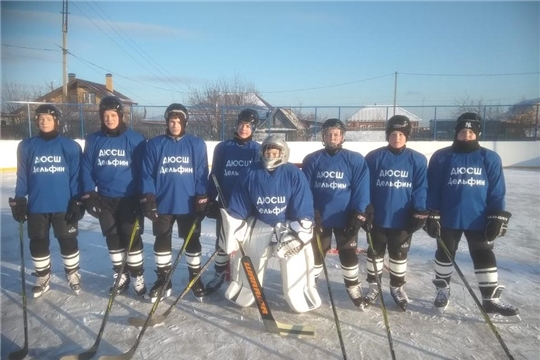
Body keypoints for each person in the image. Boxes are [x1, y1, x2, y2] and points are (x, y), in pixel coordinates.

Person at [425, 112, 518, 316]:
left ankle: (490, 299)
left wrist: (497, 215)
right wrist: (432, 213)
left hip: (479, 218)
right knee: (445, 253)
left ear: (477, 133)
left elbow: (496, 189)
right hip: (448, 217)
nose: (466, 135)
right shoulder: (442, 156)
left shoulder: (490, 157)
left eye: (470, 132)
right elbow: (433, 187)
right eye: (462, 132)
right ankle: (442, 291)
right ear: (456, 133)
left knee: (484, 254)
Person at [221, 135, 321, 313]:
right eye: (267, 149)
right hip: (260, 222)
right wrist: (235, 227)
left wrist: (300, 232)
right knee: (251, 258)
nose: (270, 153)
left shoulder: (293, 173)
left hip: (287, 225)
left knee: (294, 262)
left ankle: (300, 293)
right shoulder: (250, 172)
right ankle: (244, 289)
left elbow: (303, 205)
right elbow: (240, 203)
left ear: (283, 153)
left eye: (275, 150)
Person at [9, 104, 84, 298]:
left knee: (68, 242)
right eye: (41, 118)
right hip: (37, 205)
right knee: (38, 242)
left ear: (56, 122)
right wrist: (19, 198)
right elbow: (23, 175)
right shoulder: (26, 145)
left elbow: (76, 176)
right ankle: (43, 276)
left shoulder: (70, 146)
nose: (44, 121)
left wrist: (77, 199)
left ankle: (72, 273)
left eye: (48, 119)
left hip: (63, 205)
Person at [140, 103, 209, 303]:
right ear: (167, 122)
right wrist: (149, 197)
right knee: (162, 241)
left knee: (192, 241)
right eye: (172, 121)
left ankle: (195, 278)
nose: (175, 125)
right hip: (163, 204)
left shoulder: (196, 144)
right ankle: (164, 280)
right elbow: (147, 174)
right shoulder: (154, 144)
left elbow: (201, 173)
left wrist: (201, 197)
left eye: (179, 121)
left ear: (184, 122)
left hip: (188, 204)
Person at [80, 95, 147, 296]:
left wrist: (142, 196)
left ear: (120, 115)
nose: (109, 119)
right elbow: (86, 168)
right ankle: (121, 275)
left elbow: (144, 170)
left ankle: (137, 276)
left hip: (130, 199)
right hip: (105, 199)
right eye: (106, 115)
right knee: (113, 238)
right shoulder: (93, 139)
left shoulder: (135, 139)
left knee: (131, 237)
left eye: (113, 115)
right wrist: (89, 193)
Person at [302, 118, 372, 308]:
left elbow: (361, 189)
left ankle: (353, 287)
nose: (333, 137)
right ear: (323, 137)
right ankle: (310, 285)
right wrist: (310, 212)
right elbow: (304, 189)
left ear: (342, 137)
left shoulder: (355, 159)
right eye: (329, 133)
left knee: (348, 253)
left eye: (336, 134)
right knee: (317, 253)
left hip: (345, 217)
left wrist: (359, 213)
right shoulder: (312, 159)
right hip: (320, 218)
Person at [362, 115, 428, 310]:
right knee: (375, 253)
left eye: (401, 134)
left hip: (403, 217)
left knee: (399, 255)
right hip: (379, 217)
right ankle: (373, 286)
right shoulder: (374, 157)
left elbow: (421, 187)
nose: (397, 137)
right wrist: (367, 208)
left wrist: (420, 210)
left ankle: (397, 287)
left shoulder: (417, 159)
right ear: (387, 135)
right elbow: (365, 185)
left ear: (407, 136)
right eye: (393, 134)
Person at [204, 109, 261, 295]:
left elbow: (261, 178)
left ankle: (245, 277)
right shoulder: (223, 147)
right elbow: (215, 175)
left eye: (248, 126)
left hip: (248, 206)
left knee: (248, 244)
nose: (244, 129)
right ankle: (219, 274)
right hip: (227, 204)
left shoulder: (257, 149)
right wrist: (211, 199)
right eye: (241, 125)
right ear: (236, 125)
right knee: (223, 242)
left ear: (253, 128)